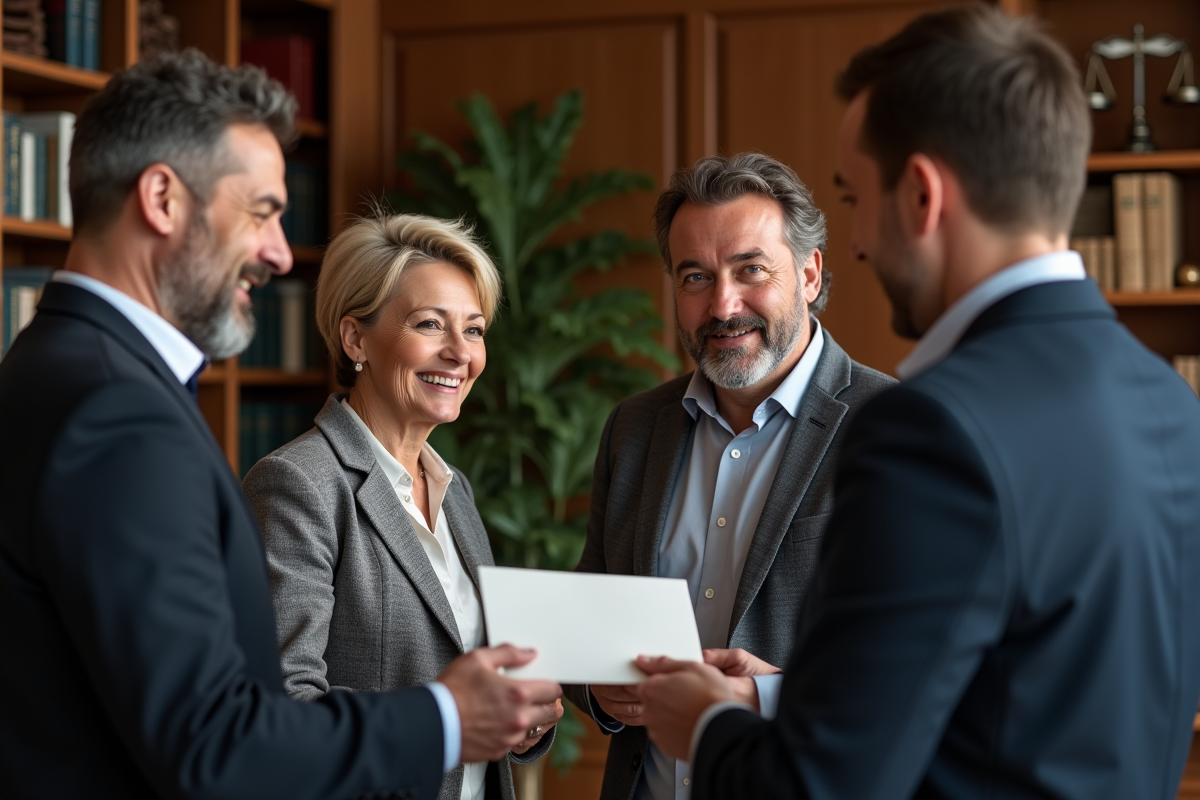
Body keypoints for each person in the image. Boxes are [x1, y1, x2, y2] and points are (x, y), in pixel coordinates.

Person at [635, 5, 1200, 799]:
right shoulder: (1173, 404)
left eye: (857, 198)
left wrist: (704, 723)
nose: (860, 244)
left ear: (922, 196)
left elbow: (819, 786)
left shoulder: (927, 427)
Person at [0, 50, 560, 799]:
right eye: (261, 211)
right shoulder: (120, 412)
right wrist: (449, 716)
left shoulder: (48, 364)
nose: (275, 250)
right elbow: (216, 742)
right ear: (162, 198)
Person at [564, 152, 894, 800]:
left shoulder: (892, 428)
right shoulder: (633, 430)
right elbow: (593, 617)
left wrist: (765, 695)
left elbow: (923, 670)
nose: (723, 304)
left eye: (750, 271)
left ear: (809, 272)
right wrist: (596, 685)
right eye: (695, 276)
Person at [242, 213, 561, 800]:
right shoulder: (297, 484)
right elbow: (284, 705)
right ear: (355, 338)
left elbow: (475, 668)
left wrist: (522, 715)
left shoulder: (452, 488)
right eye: (429, 324)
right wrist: (447, 717)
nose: (458, 354)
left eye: (474, 330)